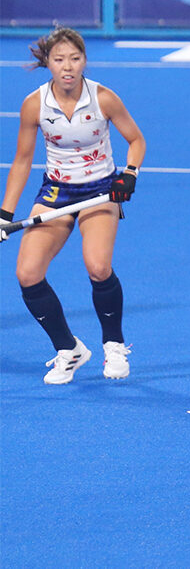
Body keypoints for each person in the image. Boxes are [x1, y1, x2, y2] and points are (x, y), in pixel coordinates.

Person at [0, 26, 146, 384]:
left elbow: (136, 140)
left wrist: (130, 173)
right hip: (57, 192)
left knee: (98, 267)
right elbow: (22, 161)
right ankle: (69, 349)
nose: (68, 67)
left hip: (101, 190)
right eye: (59, 59)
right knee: (28, 273)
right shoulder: (34, 104)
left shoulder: (104, 98)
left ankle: (114, 345)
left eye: (75, 58)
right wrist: (4, 214)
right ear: (47, 62)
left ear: (84, 60)